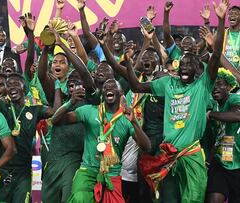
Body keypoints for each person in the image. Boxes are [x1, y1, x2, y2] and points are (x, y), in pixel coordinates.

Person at [125, 0, 228, 202]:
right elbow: (137, 87)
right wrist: (129, 62)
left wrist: (221, 20)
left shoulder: (202, 85)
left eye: (189, 64)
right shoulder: (167, 84)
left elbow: (215, 55)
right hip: (168, 156)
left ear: (198, 69)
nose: (184, 67)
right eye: (182, 64)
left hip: (191, 155)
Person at [51, 79, 151, 203]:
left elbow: (147, 147)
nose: (109, 88)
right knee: (79, 198)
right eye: (105, 87)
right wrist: (71, 102)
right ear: (102, 94)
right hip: (88, 170)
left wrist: (134, 122)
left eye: (113, 87)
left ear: (120, 93)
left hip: (112, 174)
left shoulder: (126, 119)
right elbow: (56, 121)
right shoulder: (89, 111)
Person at [0, 73, 60, 203]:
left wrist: (57, 86)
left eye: (16, 84)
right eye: (9, 85)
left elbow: (56, 110)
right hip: (2, 169)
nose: (12, 88)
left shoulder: (35, 111)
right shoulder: (2, 106)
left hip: (23, 171)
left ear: (25, 88)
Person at [41, 70, 86, 203]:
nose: (73, 89)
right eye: (70, 86)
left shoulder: (90, 104)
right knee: (46, 198)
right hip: (54, 159)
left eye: (77, 85)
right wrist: (68, 99)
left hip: (73, 159)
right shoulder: (61, 102)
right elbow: (55, 119)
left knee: (68, 198)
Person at [206, 68, 240, 203]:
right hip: (221, 162)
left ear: (229, 87)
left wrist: (210, 115)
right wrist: (208, 161)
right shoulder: (214, 105)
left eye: (220, 84)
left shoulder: (234, 98)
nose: (215, 87)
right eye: (213, 84)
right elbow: (219, 138)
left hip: (238, 163)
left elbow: (238, 115)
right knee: (213, 199)